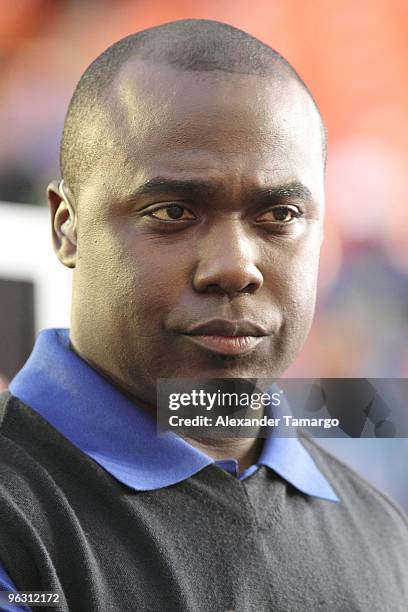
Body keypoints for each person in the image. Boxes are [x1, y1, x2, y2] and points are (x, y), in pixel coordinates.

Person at [0, 19, 407, 612]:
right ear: (67, 226)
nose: (235, 267)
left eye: (281, 215)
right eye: (172, 211)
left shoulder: (380, 531)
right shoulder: (18, 517)